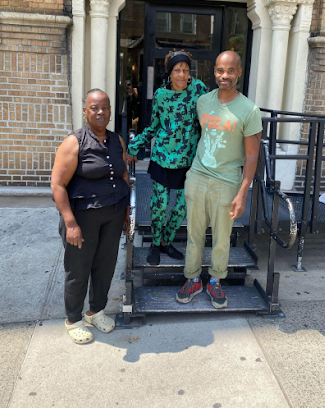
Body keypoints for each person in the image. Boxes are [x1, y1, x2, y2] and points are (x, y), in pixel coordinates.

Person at [176, 51, 262, 309]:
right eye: (220, 71)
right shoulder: (202, 101)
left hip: (227, 180)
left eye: (230, 71)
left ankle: (215, 279)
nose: (225, 76)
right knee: (194, 234)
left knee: (222, 237)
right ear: (214, 71)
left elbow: (251, 155)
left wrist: (243, 192)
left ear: (239, 72)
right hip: (198, 175)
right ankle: (192, 279)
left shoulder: (249, 109)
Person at [51, 89, 130, 344]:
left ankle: (95, 311)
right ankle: (73, 319)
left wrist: (126, 212)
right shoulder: (74, 142)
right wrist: (70, 223)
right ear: (85, 111)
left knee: (105, 266)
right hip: (82, 219)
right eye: (94, 108)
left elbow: (123, 175)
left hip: (114, 214)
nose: (100, 112)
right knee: (78, 269)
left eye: (105, 108)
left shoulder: (117, 140)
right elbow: (57, 185)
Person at [127, 50, 208, 265]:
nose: (181, 74)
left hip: (189, 161)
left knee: (182, 207)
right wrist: (134, 146)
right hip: (163, 158)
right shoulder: (161, 96)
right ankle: (155, 243)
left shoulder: (199, 89)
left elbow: (214, 110)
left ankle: (166, 241)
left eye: (185, 70)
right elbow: (154, 126)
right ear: (170, 73)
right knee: (159, 205)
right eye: (177, 70)